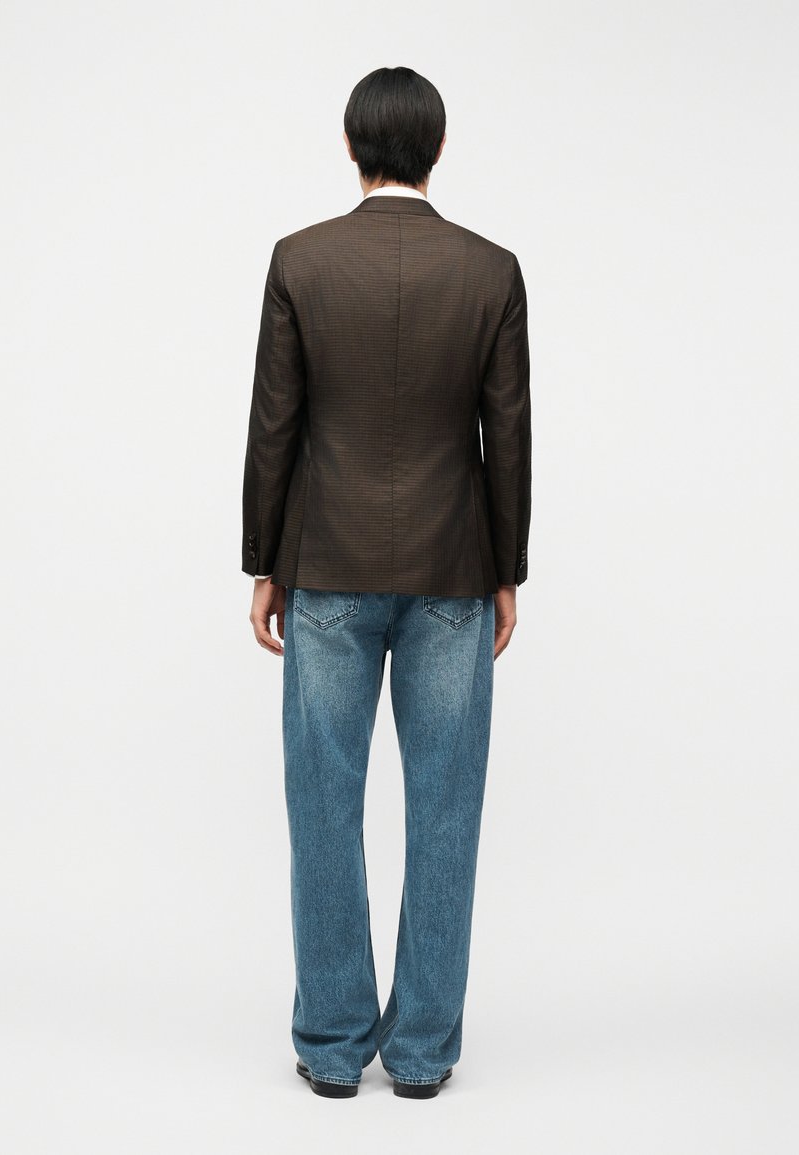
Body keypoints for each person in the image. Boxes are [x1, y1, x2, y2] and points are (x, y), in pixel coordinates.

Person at [241, 65, 531, 1099]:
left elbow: (274, 423)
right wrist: (507, 570)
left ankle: (330, 1047)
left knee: (322, 804)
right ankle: (419, 1054)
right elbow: (507, 435)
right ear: (437, 149)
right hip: (454, 569)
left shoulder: (300, 261)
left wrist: (264, 562)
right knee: (446, 809)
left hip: (326, 569)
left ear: (352, 146)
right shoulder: (491, 270)